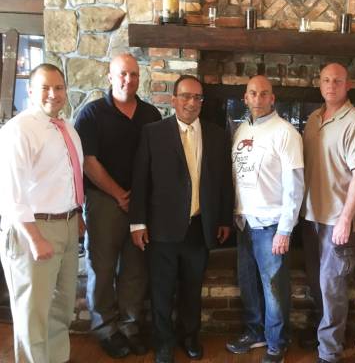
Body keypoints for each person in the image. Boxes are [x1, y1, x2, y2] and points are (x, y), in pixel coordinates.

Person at [130, 75, 233, 363]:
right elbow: (140, 181)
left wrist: (223, 219)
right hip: (161, 229)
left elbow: (224, 182)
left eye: (197, 97)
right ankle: (163, 343)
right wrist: (137, 223)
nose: (191, 102)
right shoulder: (153, 132)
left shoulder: (216, 135)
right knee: (161, 290)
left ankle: (190, 337)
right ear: (173, 100)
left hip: (200, 227)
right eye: (185, 96)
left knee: (192, 289)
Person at [75, 53, 162, 358]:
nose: (129, 80)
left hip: (140, 205)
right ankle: (106, 329)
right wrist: (118, 193)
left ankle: (129, 326)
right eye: (123, 74)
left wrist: (140, 199)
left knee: (136, 268)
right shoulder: (92, 114)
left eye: (134, 74)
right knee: (102, 267)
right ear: (110, 76)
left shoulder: (151, 115)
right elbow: (88, 162)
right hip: (104, 202)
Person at [0, 63, 85, 363]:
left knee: (61, 307)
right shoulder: (19, 130)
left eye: (59, 87)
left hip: (67, 225)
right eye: (46, 87)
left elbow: (67, 179)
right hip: (33, 230)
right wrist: (35, 239)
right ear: (31, 90)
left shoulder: (68, 129)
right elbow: (12, 194)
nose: (53, 94)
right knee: (32, 312)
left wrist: (78, 218)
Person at [226, 75, 305, 363]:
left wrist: (285, 230)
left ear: (273, 98)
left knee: (274, 290)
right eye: (252, 94)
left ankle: (277, 342)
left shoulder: (286, 133)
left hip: (271, 226)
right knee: (249, 284)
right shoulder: (242, 129)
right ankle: (256, 332)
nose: (257, 99)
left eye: (264, 94)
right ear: (245, 98)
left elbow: (295, 187)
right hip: (244, 222)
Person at [302, 63, 355, 363]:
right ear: (320, 84)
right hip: (311, 218)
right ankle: (324, 335)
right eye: (326, 80)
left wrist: (346, 219)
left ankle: (329, 352)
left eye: (338, 81)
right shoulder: (313, 119)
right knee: (318, 285)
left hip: (337, 222)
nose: (331, 85)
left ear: (348, 86)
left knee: (333, 289)